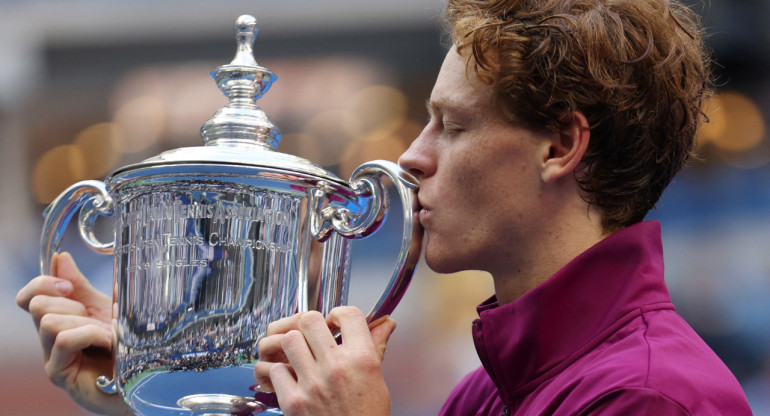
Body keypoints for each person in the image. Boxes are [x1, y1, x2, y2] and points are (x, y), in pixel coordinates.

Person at [16, 1, 752, 415]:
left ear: (560, 146)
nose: (411, 157)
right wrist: (151, 394)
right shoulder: (491, 390)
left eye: (454, 126)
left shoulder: (654, 396)